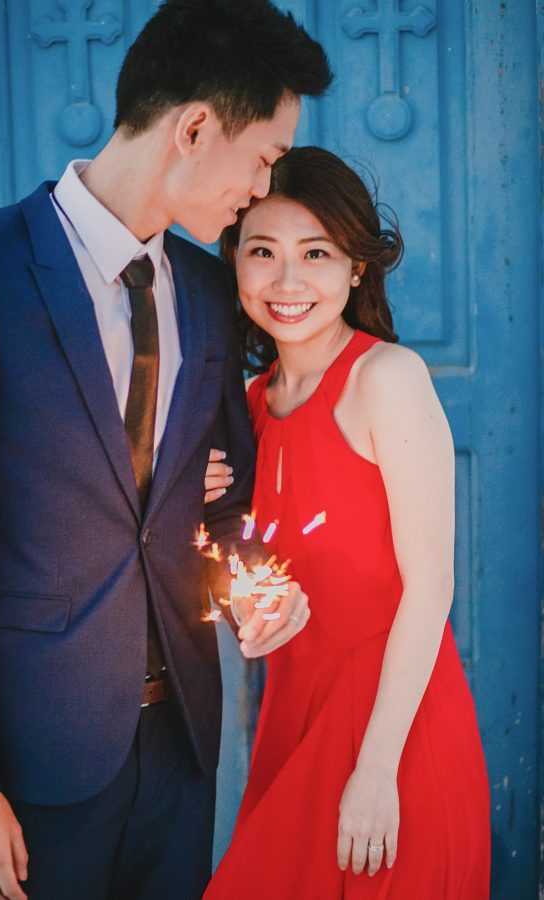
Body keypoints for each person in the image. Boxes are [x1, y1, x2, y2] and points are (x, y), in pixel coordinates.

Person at [0, 4, 331, 898]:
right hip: (31, 763)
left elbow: (218, 506)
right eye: (265, 155)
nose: (262, 185)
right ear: (195, 127)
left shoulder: (205, 288)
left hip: (182, 752)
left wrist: (256, 591)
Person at [203, 146, 491, 898]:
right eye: (263, 251)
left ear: (356, 268)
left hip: (392, 729)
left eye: (318, 253)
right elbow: (249, 570)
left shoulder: (385, 379)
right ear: (234, 263)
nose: (288, 281)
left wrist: (375, 769)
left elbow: (430, 584)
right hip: (290, 719)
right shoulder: (249, 405)